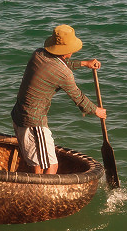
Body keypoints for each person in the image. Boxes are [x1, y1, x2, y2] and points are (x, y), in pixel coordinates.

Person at [10, 24, 107, 174]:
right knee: (51, 166)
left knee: (37, 164)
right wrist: (96, 111)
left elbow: (60, 64)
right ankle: (43, 195)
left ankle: (37, 194)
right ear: (68, 50)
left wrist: (85, 63)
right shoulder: (63, 74)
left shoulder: (39, 54)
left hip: (19, 115)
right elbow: (78, 98)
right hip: (33, 122)